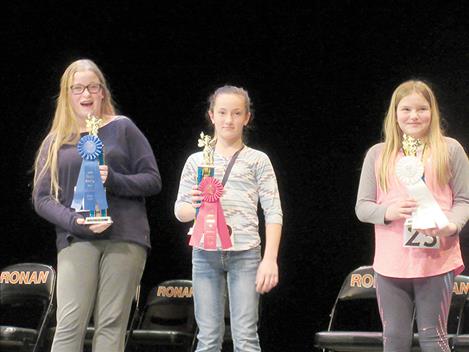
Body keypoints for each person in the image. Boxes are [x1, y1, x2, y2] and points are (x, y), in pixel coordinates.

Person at [32, 59, 161, 352]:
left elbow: (152, 180)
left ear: (102, 92)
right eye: (77, 88)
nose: (85, 94)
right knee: (69, 323)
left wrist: (113, 179)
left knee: (111, 324)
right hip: (76, 238)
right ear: (67, 94)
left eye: (92, 86)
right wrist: (75, 222)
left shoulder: (123, 128)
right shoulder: (55, 141)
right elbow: (42, 198)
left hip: (124, 237)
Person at [356, 80, 469, 351]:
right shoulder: (378, 155)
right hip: (391, 263)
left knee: (433, 335)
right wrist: (388, 212)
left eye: (422, 109)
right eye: (406, 109)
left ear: (433, 112)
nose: (414, 116)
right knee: (394, 338)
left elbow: (464, 200)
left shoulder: (450, 149)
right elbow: (362, 207)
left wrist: (451, 225)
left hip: (436, 261)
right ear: (395, 114)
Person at [174, 85, 283, 351]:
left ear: (247, 117)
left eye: (236, 113)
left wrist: (270, 259)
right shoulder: (197, 160)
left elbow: (273, 211)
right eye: (222, 112)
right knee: (208, 336)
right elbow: (180, 210)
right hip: (205, 253)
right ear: (211, 115)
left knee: (245, 336)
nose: (228, 119)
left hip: (245, 252)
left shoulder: (258, 160)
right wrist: (195, 205)